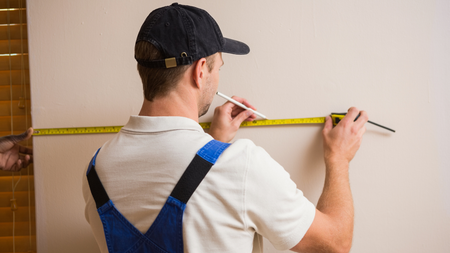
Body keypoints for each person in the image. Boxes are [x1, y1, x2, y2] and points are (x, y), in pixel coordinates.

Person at [82, 3, 368, 253]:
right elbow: (335, 243)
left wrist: (212, 144)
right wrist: (338, 159)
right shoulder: (240, 166)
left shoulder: (96, 169)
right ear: (200, 70)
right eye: (219, 68)